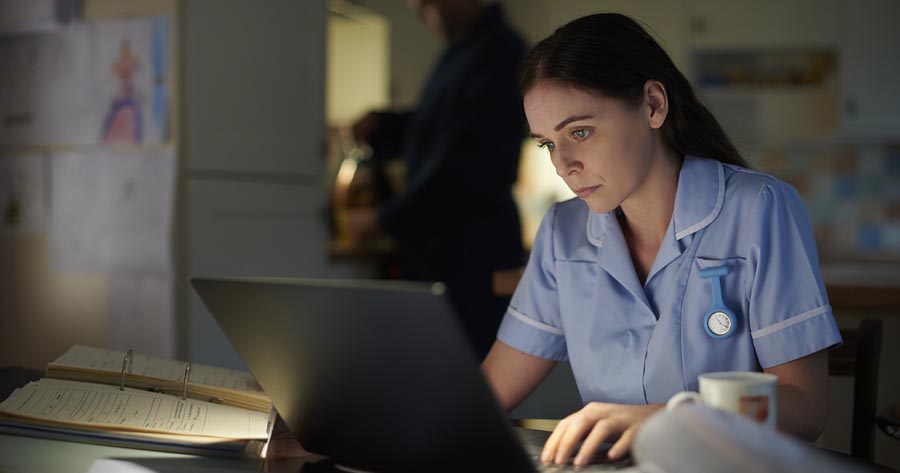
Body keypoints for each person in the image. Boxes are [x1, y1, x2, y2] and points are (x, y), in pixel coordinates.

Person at [480, 13, 842, 468]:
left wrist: (664, 419)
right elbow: (485, 395)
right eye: (547, 143)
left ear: (653, 104)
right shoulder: (561, 233)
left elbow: (805, 407)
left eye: (580, 132)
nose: (563, 164)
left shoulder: (760, 208)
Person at [346, 0, 527, 360]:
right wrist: (383, 126)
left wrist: (383, 218)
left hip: (474, 258)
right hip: (446, 257)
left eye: (426, 2)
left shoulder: (500, 54)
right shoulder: (462, 51)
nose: (419, 13)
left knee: (470, 389)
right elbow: (433, 129)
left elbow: (463, 168)